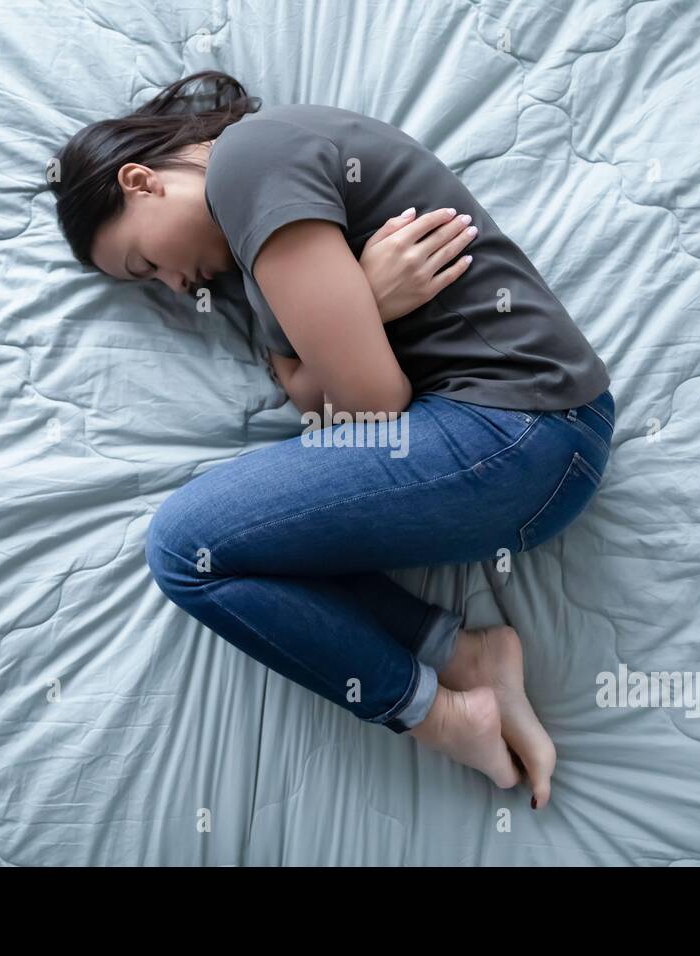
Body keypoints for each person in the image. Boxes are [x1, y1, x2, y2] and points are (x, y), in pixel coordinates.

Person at [50, 71, 614, 810]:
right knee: (216, 548)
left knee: (186, 548)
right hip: (518, 444)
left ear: (142, 181)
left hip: (522, 428)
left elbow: (369, 401)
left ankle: (441, 715)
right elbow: (319, 404)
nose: (167, 282)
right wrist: (364, 303)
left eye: (144, 263)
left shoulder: (250, 161)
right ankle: (463, 656)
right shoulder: (253, 261)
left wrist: (354, 316)